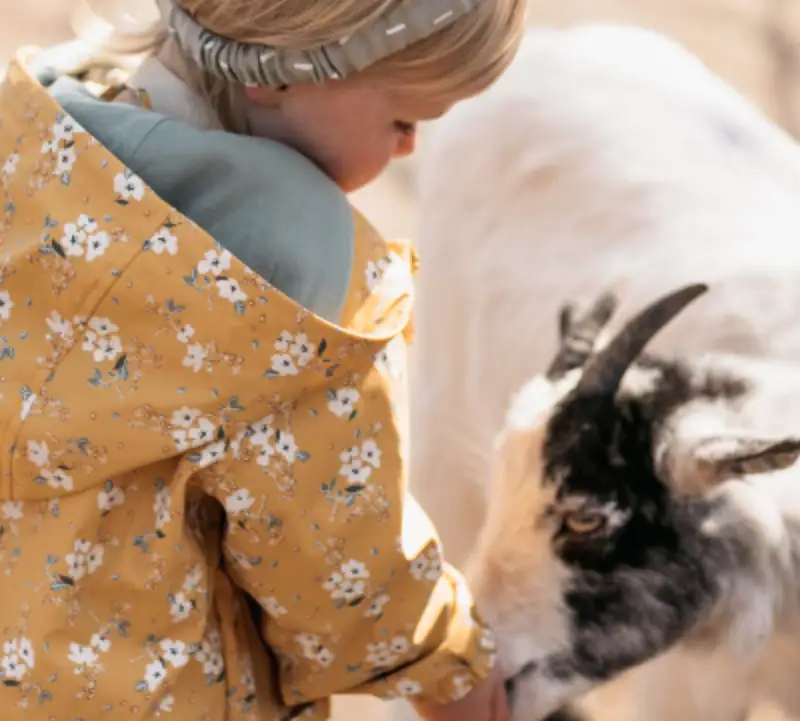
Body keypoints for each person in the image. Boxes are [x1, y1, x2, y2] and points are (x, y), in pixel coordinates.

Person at [0, 0, 526, 719]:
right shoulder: (299, 303)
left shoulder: (23, 138)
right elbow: (340, 567)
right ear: (281, 74)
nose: (408, 149)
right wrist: (445, 663)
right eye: (405, 120)